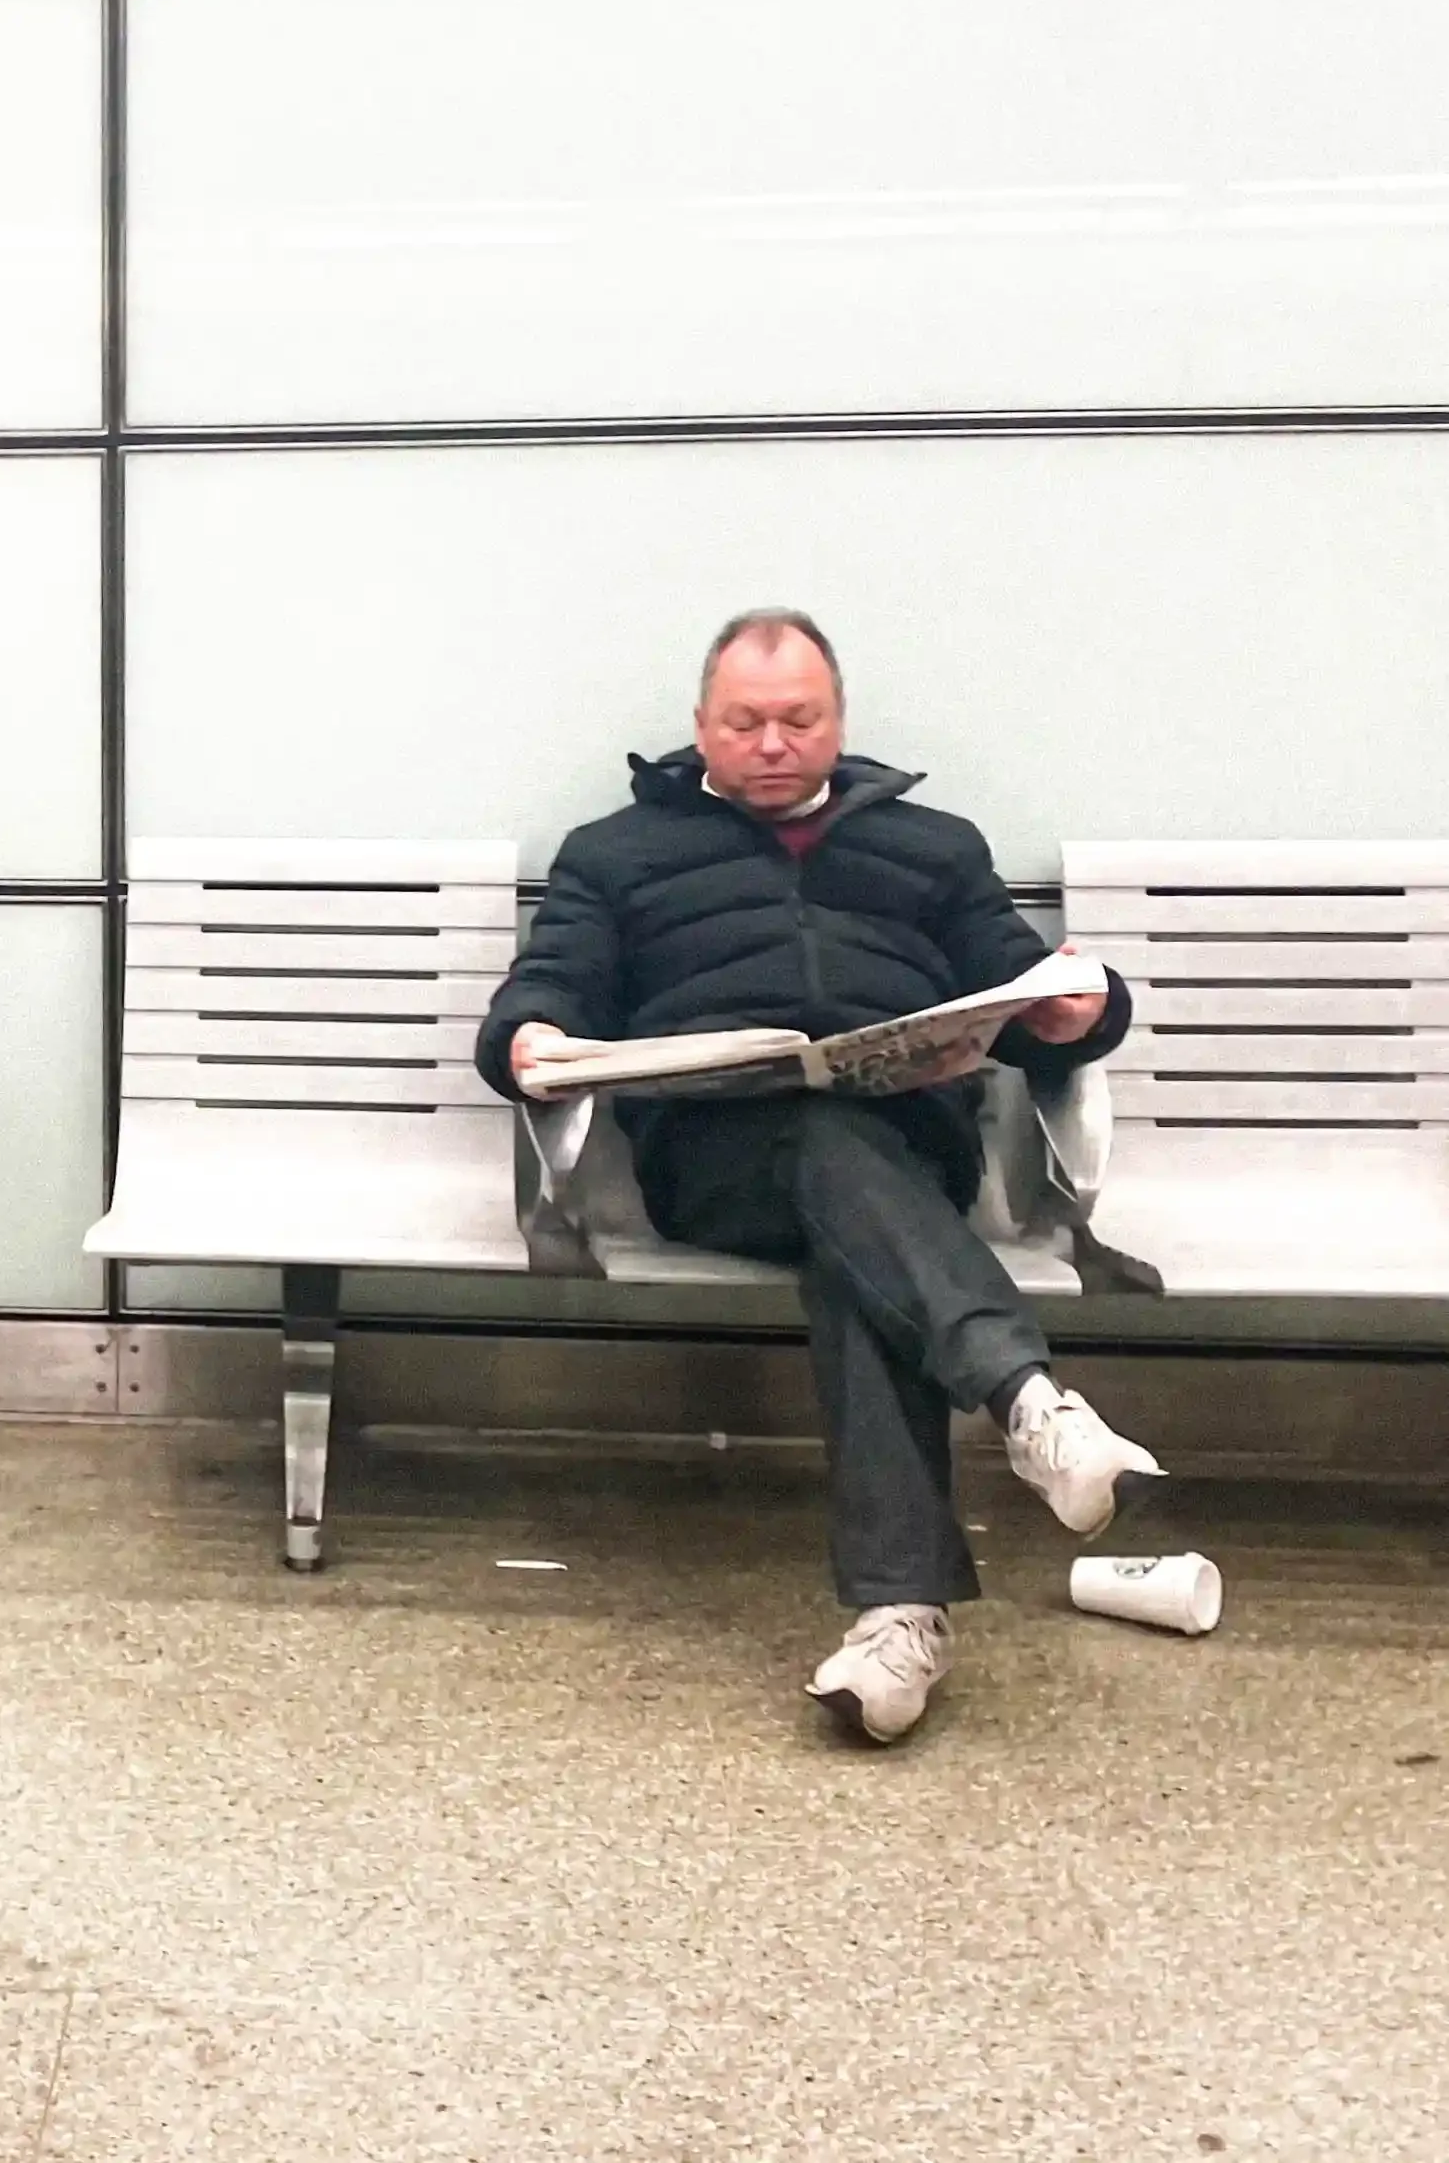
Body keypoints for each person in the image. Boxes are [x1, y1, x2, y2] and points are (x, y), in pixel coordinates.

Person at [476, 607, 1161, 1745]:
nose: (775, 742)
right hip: (714, 1154)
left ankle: (902, 1624)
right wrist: (527, 1042)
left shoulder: (935, 847)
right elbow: (550, 985)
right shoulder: (616, 853)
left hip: (902, 1140)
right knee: (821, 1152)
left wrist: (1084, 1005)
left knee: (853, 1227)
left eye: (801, 718)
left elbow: (1029, 994)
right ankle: (1029, 1404)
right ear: (700, 726)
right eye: (746, 722)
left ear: (841, 720)